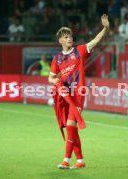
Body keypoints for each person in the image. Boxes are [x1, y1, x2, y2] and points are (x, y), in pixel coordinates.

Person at [48, 14, 110, 169]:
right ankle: (80, 161)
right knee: (72, 129)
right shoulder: (57, 59)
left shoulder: (80, 51)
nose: (69, 39)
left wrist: (106, 28)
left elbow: (96, 40)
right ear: (60, 40)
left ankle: (66, 160)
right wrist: (54, 80)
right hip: (66, 95)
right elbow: (51, 77)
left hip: (78, 94)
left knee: (70, 124)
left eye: (70, 36)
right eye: (66, 37)